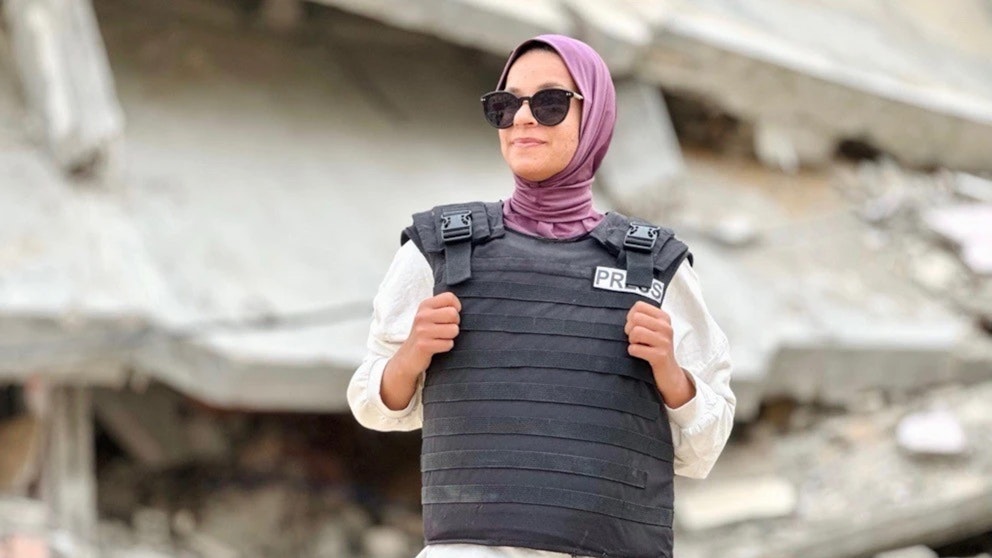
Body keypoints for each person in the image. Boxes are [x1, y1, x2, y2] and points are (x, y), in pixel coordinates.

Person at [348, 34, 735, 558]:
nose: (523, 119)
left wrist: (671, 375)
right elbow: (371, 406)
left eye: (550, 102)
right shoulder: (438, 250)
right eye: (505, 105)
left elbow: (705, 449)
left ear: (593, 116)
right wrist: (411, 355)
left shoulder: (655, 266)